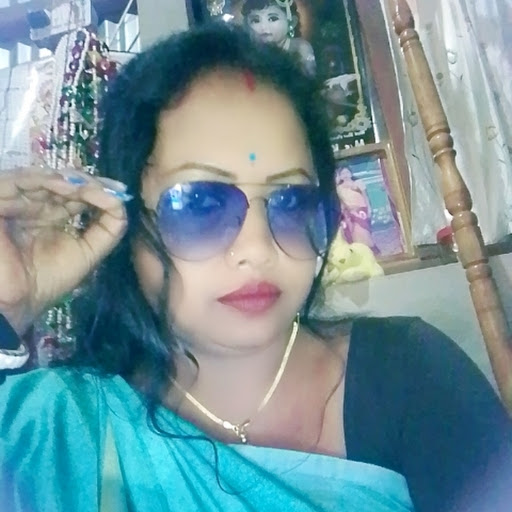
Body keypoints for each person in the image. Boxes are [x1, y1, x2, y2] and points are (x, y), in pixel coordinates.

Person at [0, 22, 511, 512]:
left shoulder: (411, 375)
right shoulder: (60, 430)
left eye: (292, 202)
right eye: (200, 203)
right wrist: (10, 304)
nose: (258, 248)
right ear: (124, 223)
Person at [241, 0, 316, 76]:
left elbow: (309, 77)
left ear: (291, 22)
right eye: (255, 21)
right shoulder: (250, 51)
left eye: (272, 19)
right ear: (246, 26)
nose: (263, 27)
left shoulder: (300, 48)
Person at [335, 165, 379, 253]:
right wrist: (342, 215)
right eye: (343, 173)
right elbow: (341, 203)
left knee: (363, 231)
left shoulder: (358, 183)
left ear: (351, 173)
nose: (345, 175)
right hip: (349, 213)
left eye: (347, 172)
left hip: (361, 211)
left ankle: (372, 251)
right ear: (340, 176)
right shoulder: (339, 188)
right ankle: (359, 253)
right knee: (352, 234)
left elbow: (365, 196)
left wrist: (369, 209)